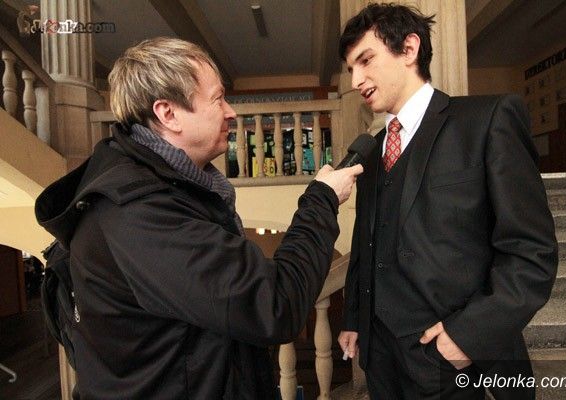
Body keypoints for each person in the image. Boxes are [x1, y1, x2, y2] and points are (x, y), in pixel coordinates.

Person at [35, 37, 362, 400]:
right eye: (218, 99)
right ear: (168, 114)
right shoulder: (140, 213)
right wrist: (322, 200)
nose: (231, 112)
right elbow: (275, 303)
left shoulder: (170, 187)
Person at [337, 4, 558, 400]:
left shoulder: (488, 120)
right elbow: (365, 242)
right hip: (381, 359)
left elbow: (531, 251)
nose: (356, 80)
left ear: (409, 49)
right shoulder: (371, 150)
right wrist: (355, 316)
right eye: (351, 68)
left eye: (365, 60)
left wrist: (468, 337)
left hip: (453, 358)